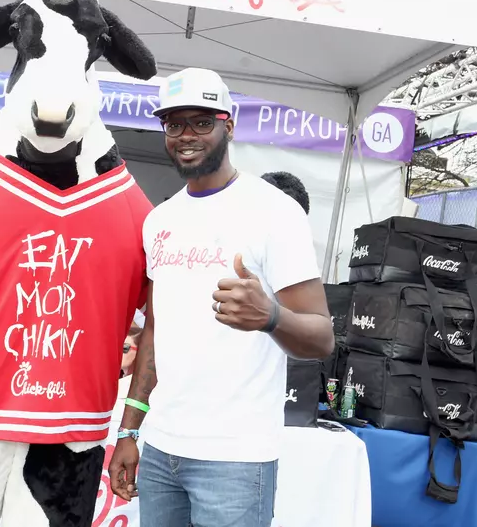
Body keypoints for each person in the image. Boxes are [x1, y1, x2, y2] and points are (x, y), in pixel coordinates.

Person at [108, 68, 334, 527]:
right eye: (174, 124)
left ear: (228, 125)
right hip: (161, 449)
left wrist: (271, 317)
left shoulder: (275, 211)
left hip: (236, 459)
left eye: (201, 122)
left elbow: (322, 338)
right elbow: (155, 329)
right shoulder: (159, 220)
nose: (186, 135)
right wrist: (130, 429)